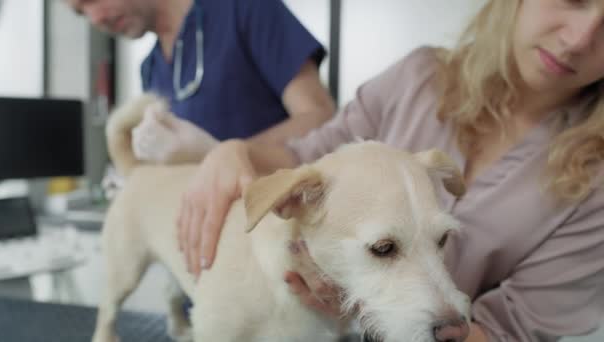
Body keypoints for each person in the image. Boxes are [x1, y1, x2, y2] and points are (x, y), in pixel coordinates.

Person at [177, 0, 604, 341]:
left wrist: (374, 311)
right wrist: (234, 152)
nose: (579, 39)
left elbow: (515, 329)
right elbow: (310, 155)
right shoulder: (418, 77)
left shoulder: (597, 185)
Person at [66, 0, 335, 163]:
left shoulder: (245, 9)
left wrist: (226, 156)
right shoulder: (150, 69)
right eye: (81, 13)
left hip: (270, 223)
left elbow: (320, 117)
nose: (96, 19)